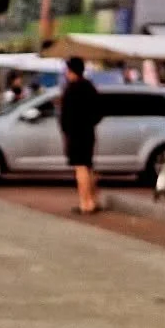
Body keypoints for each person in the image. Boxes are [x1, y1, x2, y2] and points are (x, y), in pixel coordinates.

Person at [60, 57, 102, 215]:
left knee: (80, 168)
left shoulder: (71, 90)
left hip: (75, 134)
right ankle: (93, 200)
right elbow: (98, 112)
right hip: (88, 132)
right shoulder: (89, 87)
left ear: (71, 71)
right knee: (88, 166)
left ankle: (85, 203)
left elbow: (65, 116)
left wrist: (67, 130)